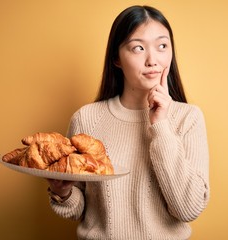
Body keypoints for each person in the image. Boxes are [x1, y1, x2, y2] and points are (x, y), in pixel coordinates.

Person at [47, 5, 210, 239]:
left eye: (162, 46)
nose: (152, 60)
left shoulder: (188, 118)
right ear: (116, 58)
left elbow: (188, 208)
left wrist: (160, 125)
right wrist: (62, 192)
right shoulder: (87, 119)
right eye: (138, 48)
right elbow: (81, 209)